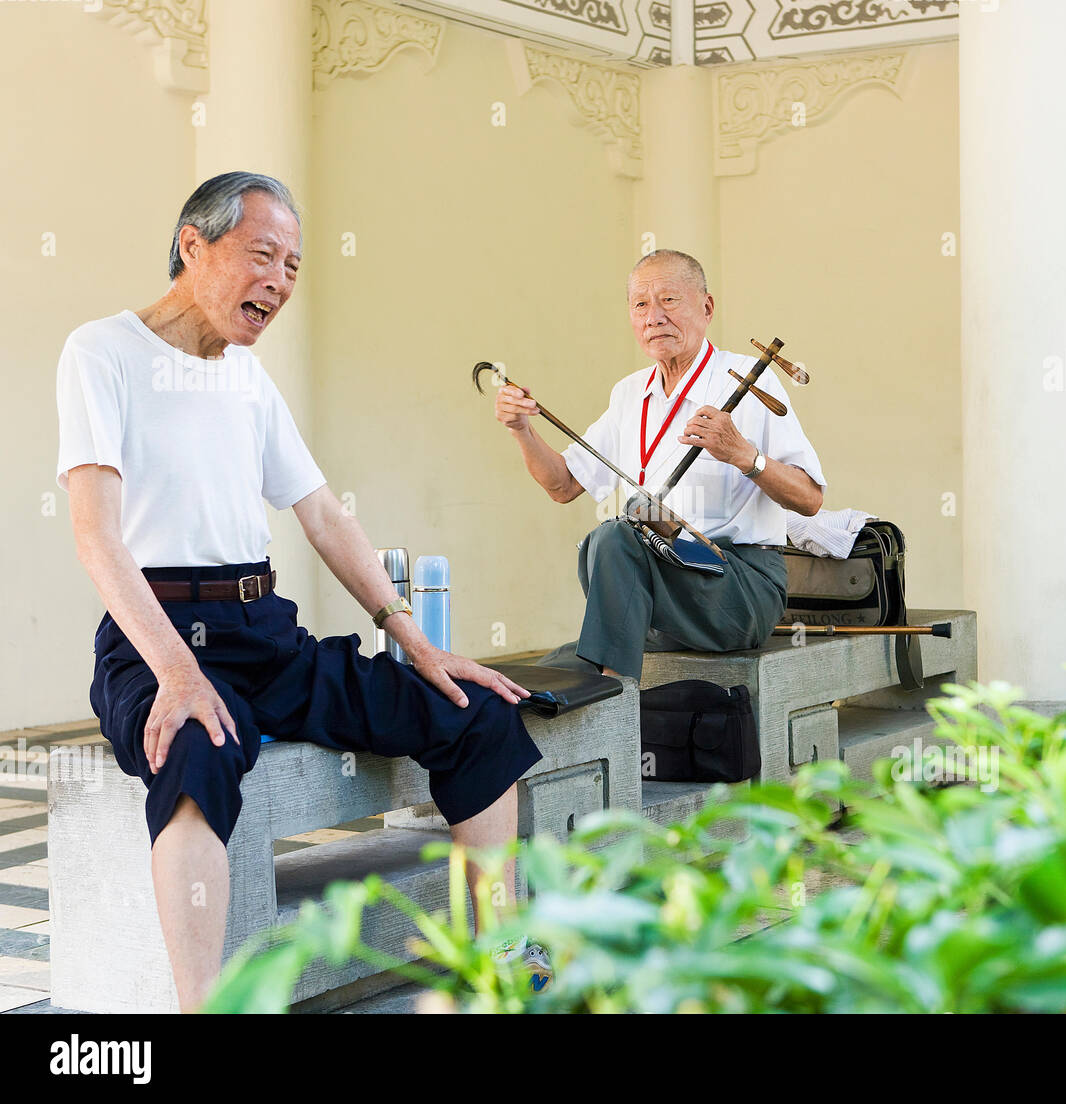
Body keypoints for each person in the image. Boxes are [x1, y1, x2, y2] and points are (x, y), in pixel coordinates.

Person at [56, 171, 543, 1011]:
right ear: (192, 246)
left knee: (472, 710)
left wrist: (418, 645)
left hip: (264, 632)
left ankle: (500, 952)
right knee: (198, 747)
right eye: (262, 256)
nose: (279, 281)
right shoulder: (102, 351)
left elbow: (322, 515)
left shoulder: (246, 376)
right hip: (157, 634)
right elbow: (96, 535)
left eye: (293, 265)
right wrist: (177, 674)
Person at [494, 249, 826, 680]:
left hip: (740, 586)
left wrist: (745, 455)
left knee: (614, 540)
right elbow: (562, 485)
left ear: (706, 308)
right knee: (549, 666)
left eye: (669, 300)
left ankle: (616, 698)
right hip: (666, 587)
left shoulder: (748, 377)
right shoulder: (629, 393)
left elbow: (810, 499)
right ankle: (602, 684)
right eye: (640, 304)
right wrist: (521, 428)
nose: (654, 317)